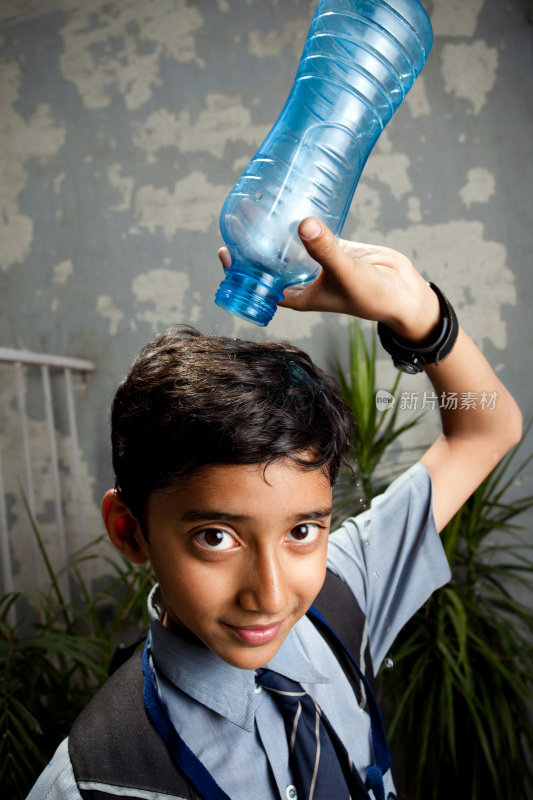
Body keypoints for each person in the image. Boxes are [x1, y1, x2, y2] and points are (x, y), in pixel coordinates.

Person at [27, 218, 522, 800]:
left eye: (303, 529)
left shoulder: (343, 590)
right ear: (130, 531)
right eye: (215, 537)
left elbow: (487, 428)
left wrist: (421, 318)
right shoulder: (92, 783)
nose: (269, 592)